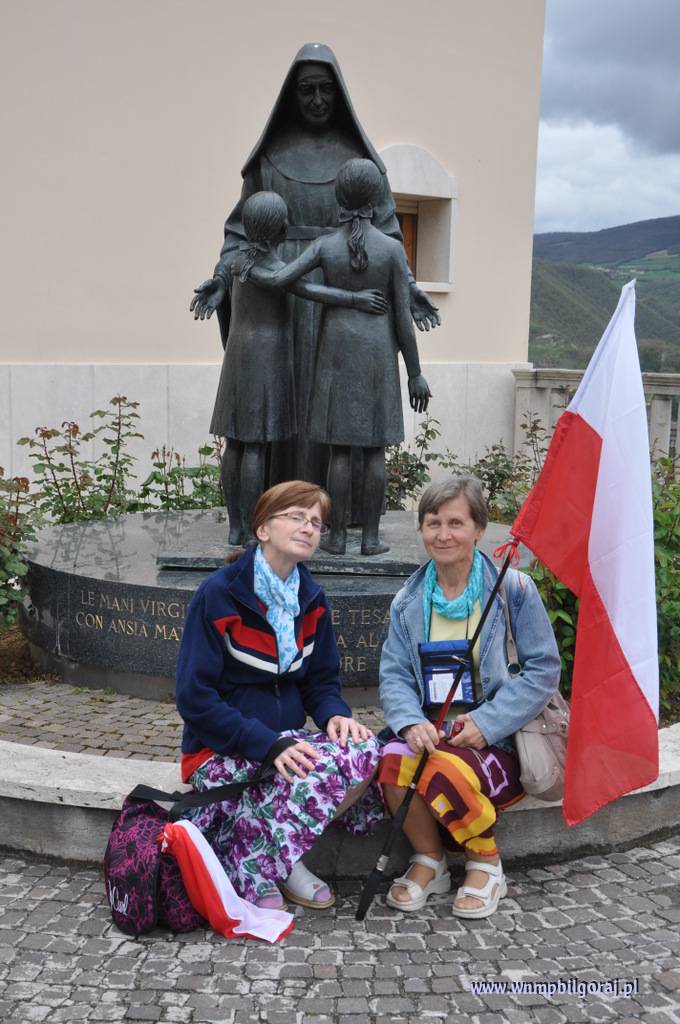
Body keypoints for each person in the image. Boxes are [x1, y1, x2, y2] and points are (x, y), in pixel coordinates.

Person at [190, 42, 439, 487]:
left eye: (326, 89)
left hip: (338, 290)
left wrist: (408, 284)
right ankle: (273, 504)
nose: (318, 99)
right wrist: (223, 278)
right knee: (272, 409)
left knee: (335, 410)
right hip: (279, 296)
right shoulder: (268, 158)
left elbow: (387, 235)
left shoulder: (362, 164)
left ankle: (332, 510)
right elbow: (241, 234)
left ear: (339, 93)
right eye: (307, 90)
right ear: (292, 94)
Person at [175, 480, 383, 910]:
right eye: (296, 517)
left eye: (316, 522)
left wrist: (334, 715)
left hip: (284, 740)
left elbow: (320, 681)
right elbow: (195, 698)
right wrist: (266, 743)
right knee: (304, 767)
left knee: (364, 749)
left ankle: (274, 856)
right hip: (222, 748)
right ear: (263, 529)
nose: (309, 527)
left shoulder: (312, 598)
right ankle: (264, 863)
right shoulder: (219, 594)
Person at [377, 476, 560, 917]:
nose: (443, 534)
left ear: (479, 529)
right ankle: (430, 860)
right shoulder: (407, 601)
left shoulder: (513, 590)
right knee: (392, 761)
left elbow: (543, 670)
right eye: (433, 523)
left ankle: (486, 862)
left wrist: (488, 723)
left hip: (499, 740)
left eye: (455, 523)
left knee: (441, 767)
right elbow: (395, 674)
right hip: (432, 730)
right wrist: (409, 722)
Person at [243, 159, 431, 556]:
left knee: (340, 451)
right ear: (376, 198)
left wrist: (238, 264)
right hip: (377, 354)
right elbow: (402, 318)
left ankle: (339, 537)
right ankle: (371, 538)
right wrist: (415, 372)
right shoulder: (392, 249)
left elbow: (279, 280)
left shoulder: (325, 245)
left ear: (338, 198)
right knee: (375, 450)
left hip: (335, 352)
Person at [208, 190, 387, 546]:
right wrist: (355, 299)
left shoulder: (234, 265)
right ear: (280, 230)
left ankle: (236, 526)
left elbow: (223, 313)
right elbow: (315, 292)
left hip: (238, 356)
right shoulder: (277, 269)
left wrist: (231, 344)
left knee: (235, 444)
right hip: (269, 358)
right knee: (255, 447)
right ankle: (253, 528)